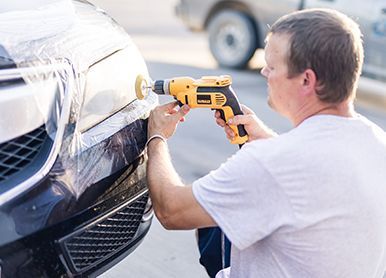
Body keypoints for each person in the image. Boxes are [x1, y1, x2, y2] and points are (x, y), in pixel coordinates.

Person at [146, 8, 386, 278]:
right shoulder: (376, 142)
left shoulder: (271, 163)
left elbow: (171, 211)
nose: (263, 72)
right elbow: (321, 174)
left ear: (307, 80)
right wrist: (268, 138)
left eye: (272, 66)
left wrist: (157, 137)